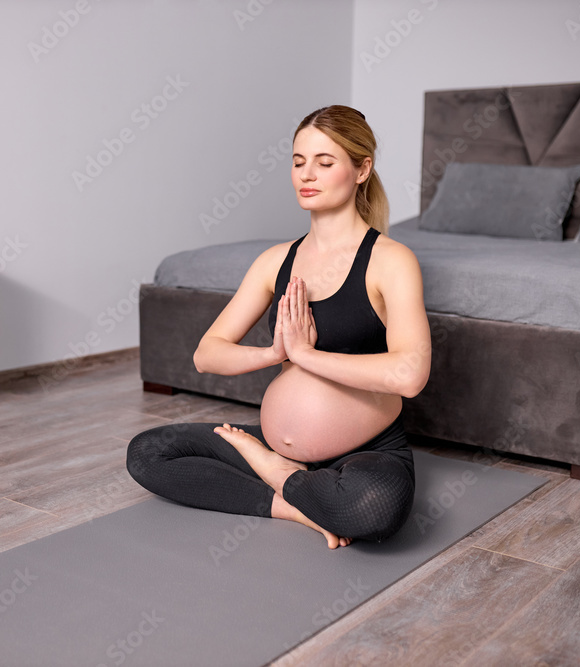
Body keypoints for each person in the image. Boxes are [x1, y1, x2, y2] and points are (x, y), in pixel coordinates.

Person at [126, 105, 431, 548]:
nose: (307, 174)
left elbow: (410, 375)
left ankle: (280, 477)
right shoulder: (275, 261)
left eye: (325, 163)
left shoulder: (391, 260)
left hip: (366, 450)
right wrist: (276, 353)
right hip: (276, 445)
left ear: (362, 169)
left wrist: (307, 355)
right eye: (298, 161)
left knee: (374, 510)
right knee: (147, 452)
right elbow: (206, 354)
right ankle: (290, 499)